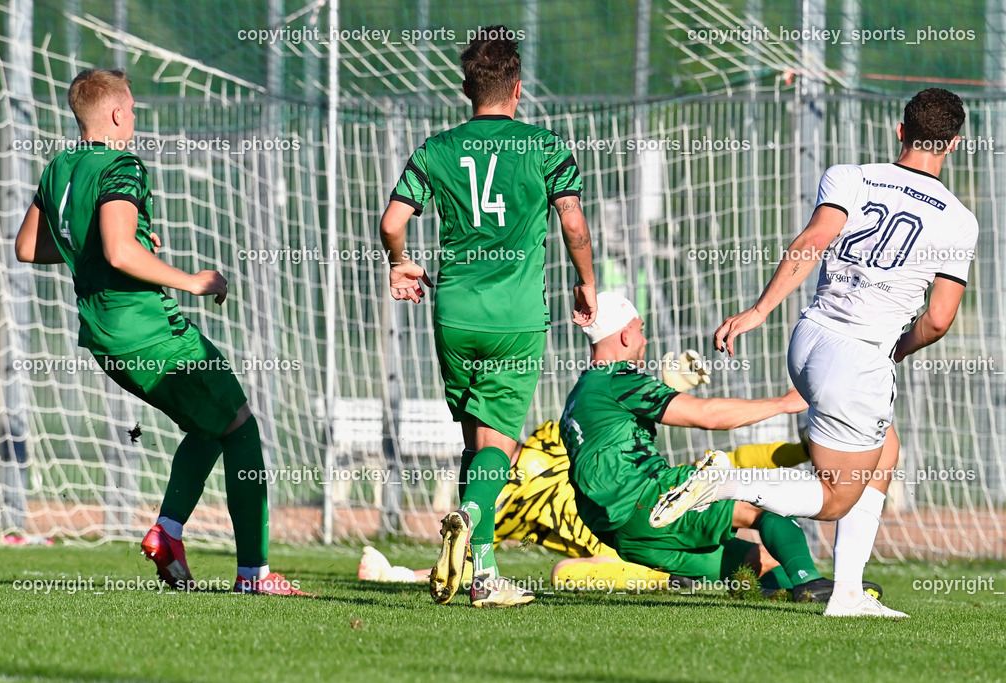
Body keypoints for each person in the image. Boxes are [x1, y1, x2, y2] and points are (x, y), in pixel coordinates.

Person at [661, 88, 976, 617]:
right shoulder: (958, 218)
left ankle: (849, 593)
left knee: (886, 452)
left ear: (899, 130)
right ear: (955, 144)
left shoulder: (850, 176)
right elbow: (940, 318)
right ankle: (726, 482)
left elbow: (811, 241)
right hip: (858, 358)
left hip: (809, 340)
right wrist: (898, 348)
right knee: (835, 498)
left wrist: (758, 312)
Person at [15, 68, 305, 595]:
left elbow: (28, 246)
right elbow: (121, 250)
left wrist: (96, 249)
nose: (135, 120)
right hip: (152, 331)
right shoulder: (122, 165)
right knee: (241, 427)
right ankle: (254, 575)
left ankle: (168, 532)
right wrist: (191, 280)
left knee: (208, 426)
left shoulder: (59, 166)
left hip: (104, 338)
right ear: (119, 112)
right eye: (133, 109)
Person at [379, 26, 596, 607]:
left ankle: (482, 574)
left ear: (467, 88)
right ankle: (472, 518)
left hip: (454, 314)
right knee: (499, 445)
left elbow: (392, 223)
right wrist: (587, 283)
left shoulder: (435, 149)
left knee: (475, 442)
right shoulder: (545, 148)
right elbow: (573, 224)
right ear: (518, 89)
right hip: (515, 316)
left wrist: (400, 264)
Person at [360, 418, 883, 603]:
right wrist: (409, 572)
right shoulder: (502, 504)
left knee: (742, 485)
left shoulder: (552, 435)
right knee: (567, 572)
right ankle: (799, 581)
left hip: (646, 508)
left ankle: (809, 565)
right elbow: (471, 556)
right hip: (619, 551)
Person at [558, 291, 846, 599]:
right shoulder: (615, 378)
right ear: (626, 335)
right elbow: (707, 416)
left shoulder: (579, 396)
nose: (644, 340)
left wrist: (667, 388)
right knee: (765, 504)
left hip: (620, 534)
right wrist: (784, 403)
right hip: (650, 500)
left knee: (758, 563)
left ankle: (800, 593)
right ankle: (810, 581)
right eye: (640, 330)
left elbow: (613, 442)